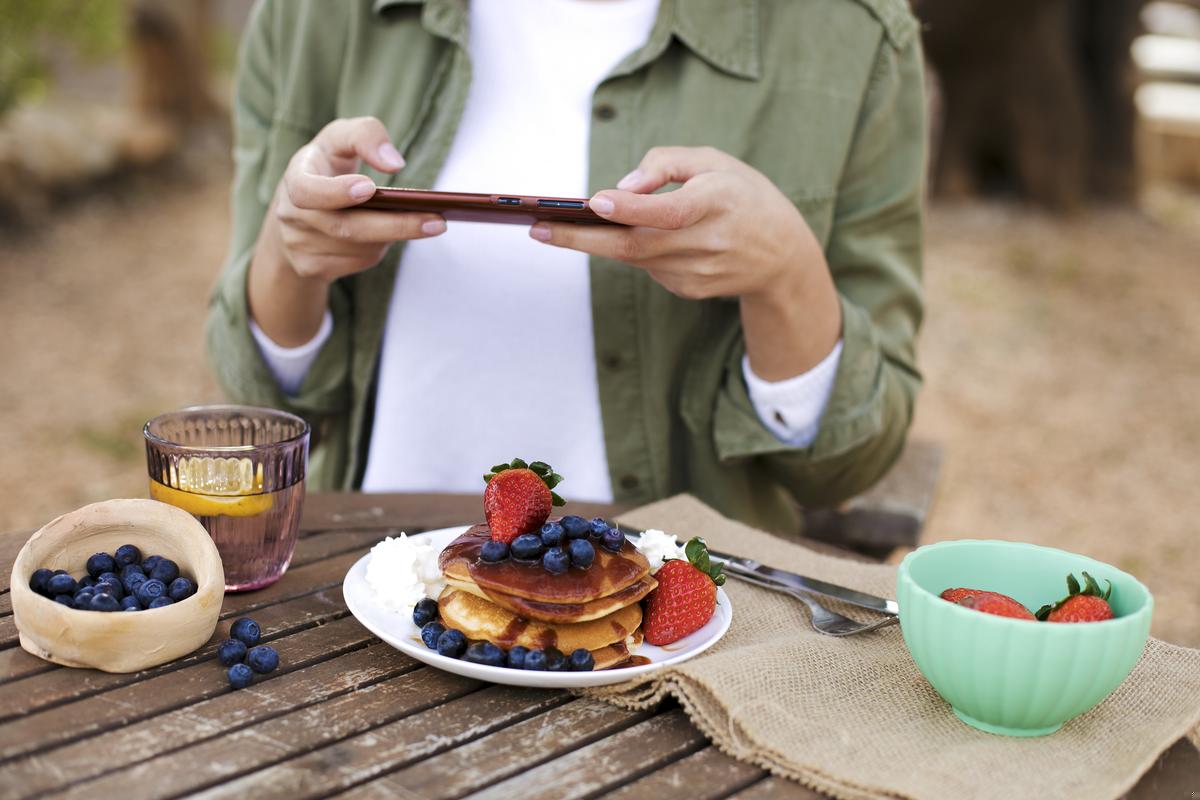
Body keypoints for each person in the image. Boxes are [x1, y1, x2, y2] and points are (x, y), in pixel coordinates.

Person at [207, 0, 925, 534]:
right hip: (368, 590)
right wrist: (289, 253)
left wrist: (786, 275)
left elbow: (847, 463)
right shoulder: (314, 17)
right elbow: (259, 405)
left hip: (676, 645)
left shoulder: (851, 37)